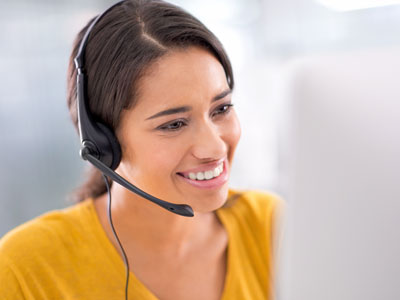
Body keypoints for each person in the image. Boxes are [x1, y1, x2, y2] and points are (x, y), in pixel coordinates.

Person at [0, 0, 283, 299]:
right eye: (174, 124)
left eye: (221, 108)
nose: (214, 146)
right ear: (103, 141)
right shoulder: (24, 270)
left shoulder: (272, 226)